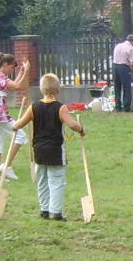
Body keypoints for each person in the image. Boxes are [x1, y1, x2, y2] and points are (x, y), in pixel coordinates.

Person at [11, 73, 86, 219]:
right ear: (58, 90)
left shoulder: (34, 107)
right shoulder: (60, 108)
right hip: (55, 150)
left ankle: (44, 209)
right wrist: (81, 129)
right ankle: (56, 212)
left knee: (42, 180)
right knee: (56, 180)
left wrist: (15, 126)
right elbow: (71, 124)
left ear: (41, 90)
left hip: (39, 150)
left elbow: (20, 123)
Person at [0, 52, 31, 180]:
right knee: (20, 135)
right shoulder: (0, 75)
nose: (11, 71)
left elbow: (13, 85)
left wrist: (21, 72)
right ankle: (6, 165)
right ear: (4, 64)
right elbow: (18, 86)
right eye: (11, 67)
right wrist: (27, 71)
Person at [111, 32, 133, 112]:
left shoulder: (118, 46)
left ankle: (118, 106)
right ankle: (126, 107)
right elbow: (132, 63)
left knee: (117, 87)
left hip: (115, 66)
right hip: (124, 68)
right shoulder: (131, 48)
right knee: (126, 87)